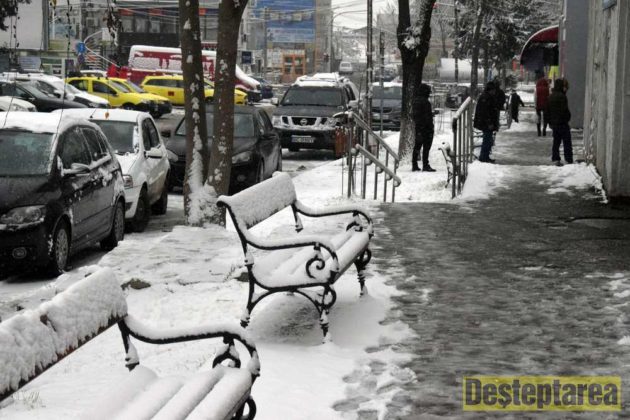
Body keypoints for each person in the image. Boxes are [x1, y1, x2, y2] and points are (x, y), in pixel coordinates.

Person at [546, 78, 573, 166]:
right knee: (567, 141)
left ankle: (555, 157)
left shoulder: (551, 96)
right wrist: (567, 118)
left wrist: (549, 122)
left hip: (554, 123)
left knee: (556, 141)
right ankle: (568, 158)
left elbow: (547, 111)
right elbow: (565, 110)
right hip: (562, 123)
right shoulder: (562, 97)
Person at [411, 83, 435, 172]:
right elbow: (427, 116)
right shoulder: (425, 102)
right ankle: (425, 165)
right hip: (426, 128)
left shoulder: (415, 101)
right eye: (428, 92)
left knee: (417, 146)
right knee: (426, 147)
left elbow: (415, 115)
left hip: (418, 127)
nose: (429, 94)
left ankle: (414, 164)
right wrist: (430, 126)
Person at [474, 82, 499, 163]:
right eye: (494, 90)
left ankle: (485, 156)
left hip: (486, 122)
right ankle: (484, 157)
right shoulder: (486, 97)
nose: (495, 91)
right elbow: (485, 112)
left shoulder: (487, 96)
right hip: (486, 123)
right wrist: (489, 123)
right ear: (490, 90)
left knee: (488, 139)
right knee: (487, 140)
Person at [535, 72, 550, 136]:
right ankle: (544, 129)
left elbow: (535, 97)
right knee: (545, 118)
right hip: (545, 105)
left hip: (538, 105)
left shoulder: (536, 89)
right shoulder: (547, 89)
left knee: (538, 117)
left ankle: (539, 131)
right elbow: (549, 97)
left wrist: (535, 105)